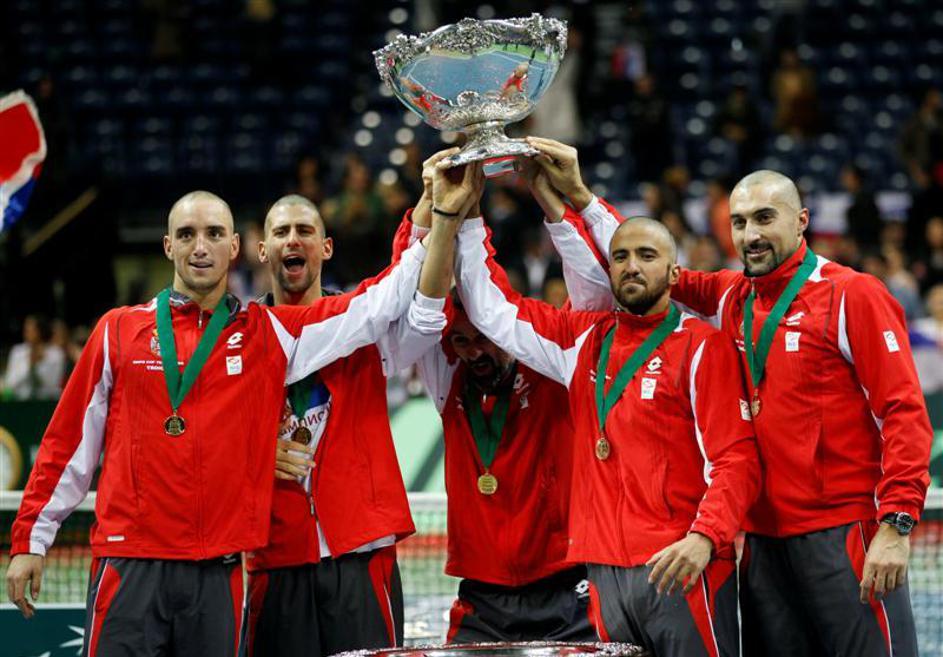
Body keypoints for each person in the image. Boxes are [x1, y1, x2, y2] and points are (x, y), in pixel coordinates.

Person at [6, 190, 436, 657]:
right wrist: (31, 538)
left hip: (218, 570)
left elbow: (373, 306)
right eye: (186, 235)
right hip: (130, 560)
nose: (200, 247)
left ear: (234, 247)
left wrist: (432, 224)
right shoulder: (118, 331)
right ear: (168, 245)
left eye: (213, 234)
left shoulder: (263, 332)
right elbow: (68, 443)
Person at [552, 165, 933, 657]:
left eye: (764, 218)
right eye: (739, 222)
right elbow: (650, 259)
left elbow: (904, 412)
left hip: (844, 535)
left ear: (801, 220)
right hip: (760, 546)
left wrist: (896, 523)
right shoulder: (733, 296)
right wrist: (582, 199)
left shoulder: (851, 295)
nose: (750, 234)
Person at [440, 140, 761, 655]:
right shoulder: (583, 341)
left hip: (681, 562)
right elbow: (493, 310)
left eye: (647, 256)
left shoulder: (702, 346)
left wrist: (706, 537)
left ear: (674, 275)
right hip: (604, 572)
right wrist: (472, 213)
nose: (631, 266)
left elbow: (736, 459)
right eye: (621, 257)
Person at [392, 150, 596, 643]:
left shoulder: (552, 368)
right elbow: (409, 298)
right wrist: (431, 203)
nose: (473, 352)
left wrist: (494, 212)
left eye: (483, 338)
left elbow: (591, 293)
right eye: (461, 341)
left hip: (565, 582)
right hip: (481, 592)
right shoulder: (449, 379)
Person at [244, 190, 446, 657]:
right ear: (262, 250)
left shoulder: (367, 325)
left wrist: (437, 216)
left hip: (360, 550)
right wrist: (251, 454)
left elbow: (425, 316)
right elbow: (207, 434)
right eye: (281, 232)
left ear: (326, 247)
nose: (293, 240)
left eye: (305, 231)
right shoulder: (239, 335)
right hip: (276, 553)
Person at [2, 314, 66, 400]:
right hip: (20, 402)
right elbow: (10, 383)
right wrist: (29, 364)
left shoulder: (56, 354)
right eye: (26, 329)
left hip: (46, 402)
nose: (26, 332)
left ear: (41, 331)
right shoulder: (17, 352)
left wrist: (37, 365)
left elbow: (53, 386)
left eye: (31, 329)